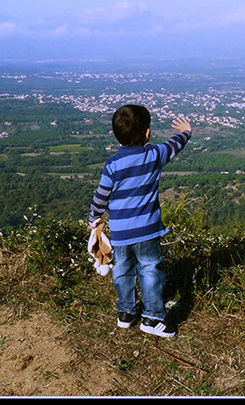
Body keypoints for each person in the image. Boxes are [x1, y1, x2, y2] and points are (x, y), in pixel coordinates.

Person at [88, 104, 192, 338]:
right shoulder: (153, 155)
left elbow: (101, 196)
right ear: (147, 133)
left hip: (121, 233)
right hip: (147, 231)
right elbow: (174, 146)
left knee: (123, 270)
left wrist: (94, 217)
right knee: (150, 269)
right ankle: (153, 318)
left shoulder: (112, 165)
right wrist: (186, 132)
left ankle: (126, 312)